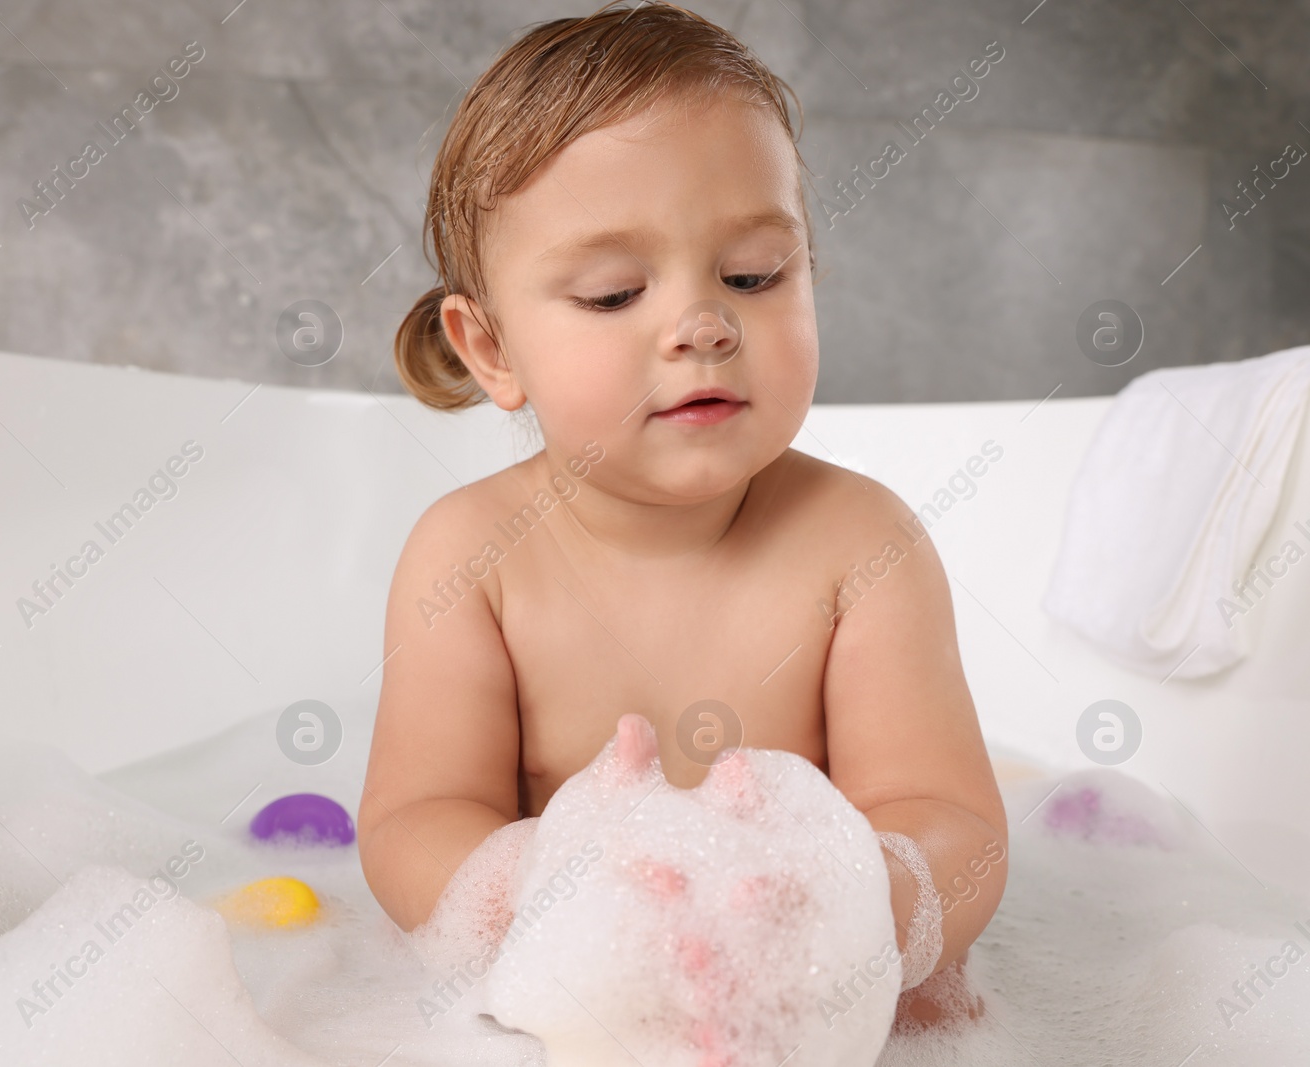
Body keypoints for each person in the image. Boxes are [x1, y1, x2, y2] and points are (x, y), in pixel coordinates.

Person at [357, 0, 1004, 1025]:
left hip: (811, 999)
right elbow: (413, 821)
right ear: (489, 349)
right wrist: (553, 896)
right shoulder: (473, 557)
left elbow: (954, 825)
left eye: (754, 274)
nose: (702, 324)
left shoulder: (861, 546)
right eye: (615, 293)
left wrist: (836, 915)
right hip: (567, 1000)